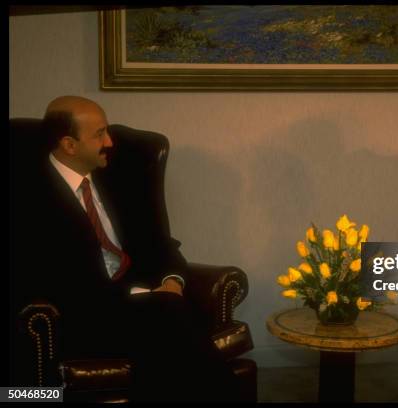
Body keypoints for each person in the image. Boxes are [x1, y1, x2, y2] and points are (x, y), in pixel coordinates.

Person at [10, 96, 237, 402]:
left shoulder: (120, 181)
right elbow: (37, 275)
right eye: (99, 134)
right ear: (69, 145)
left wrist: (172, 280)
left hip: (145, 306)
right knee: (172, 320)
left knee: (169, 327)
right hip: (81, 314)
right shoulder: (26, 195)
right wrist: (141, 298)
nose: (110, 141)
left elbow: (161, 243)